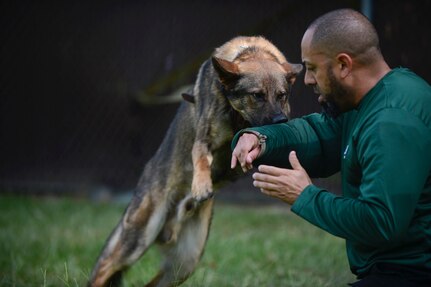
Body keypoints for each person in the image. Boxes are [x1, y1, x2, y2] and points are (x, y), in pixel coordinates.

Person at [231, 8, 431, 287]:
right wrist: (259, 138)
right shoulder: (370, 101)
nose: (307, 80)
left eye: (312, 68)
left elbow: (381, 222)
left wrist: (306, 196)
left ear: (344, 65)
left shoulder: (392, 121)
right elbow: (319, 134)